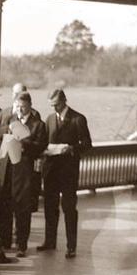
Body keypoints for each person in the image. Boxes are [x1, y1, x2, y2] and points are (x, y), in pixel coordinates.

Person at [40, 89, 92, 259]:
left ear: (64, 101)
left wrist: (71, 149)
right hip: (51, 170)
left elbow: (87, 144)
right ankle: (50, 241)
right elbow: (43, 142)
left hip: (68, 172)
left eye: (56, 104)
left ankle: (71, 246)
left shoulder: (78, 119)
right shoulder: (49, 119)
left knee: (69, 209)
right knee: (50, 207)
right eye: (52, 105)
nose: (54, 108)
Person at [0, 92, 48, 257]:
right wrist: (8, 129)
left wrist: (24, 144)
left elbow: (41, 146)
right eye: (17, 106)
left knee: (22, 208)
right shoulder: (9, 120)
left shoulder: (38, 125)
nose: (19, 110)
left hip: (24, 171)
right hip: (7, 170)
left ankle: (21, 244)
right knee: (5, 206)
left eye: (23, 107)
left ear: (30, 106)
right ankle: (4, 240)